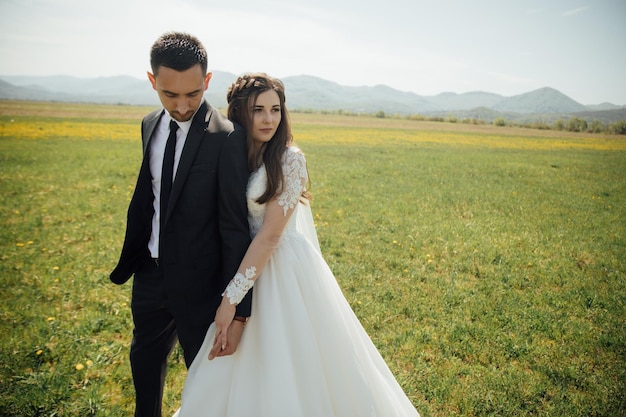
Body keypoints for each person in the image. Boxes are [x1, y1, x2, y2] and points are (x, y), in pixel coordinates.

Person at [174, 73, 420, 416]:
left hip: (281, 271)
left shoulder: (290, 159)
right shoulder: (236, 154)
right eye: (258, 110)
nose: (268, 118)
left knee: (288, 363)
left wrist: (232, 298)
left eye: (275, 109)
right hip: (245, 262)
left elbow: (270, 235)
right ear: (240, 112)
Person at [110, 32, 252, 417]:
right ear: (152, 80)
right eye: (169, 94)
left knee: (207, 383)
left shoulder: (227, 138)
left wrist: (239, 310)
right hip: (150, 277)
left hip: (203, 287)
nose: (182, 105)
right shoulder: (148, 125)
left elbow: (235, 229)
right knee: (143, 366)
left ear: (207, 81)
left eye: (192, 93)